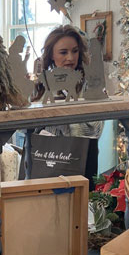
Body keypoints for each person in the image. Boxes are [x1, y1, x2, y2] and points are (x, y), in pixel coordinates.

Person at [32, 25, 101, 189]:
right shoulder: (41, 85)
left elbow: (96, 127)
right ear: (51, 55)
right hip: (49, 156)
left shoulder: (90, 84)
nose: (70, 57)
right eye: (63, 52)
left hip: (84, 156)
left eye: (75, 51)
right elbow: (28, 126)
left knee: (81, 208)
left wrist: (68, 116)